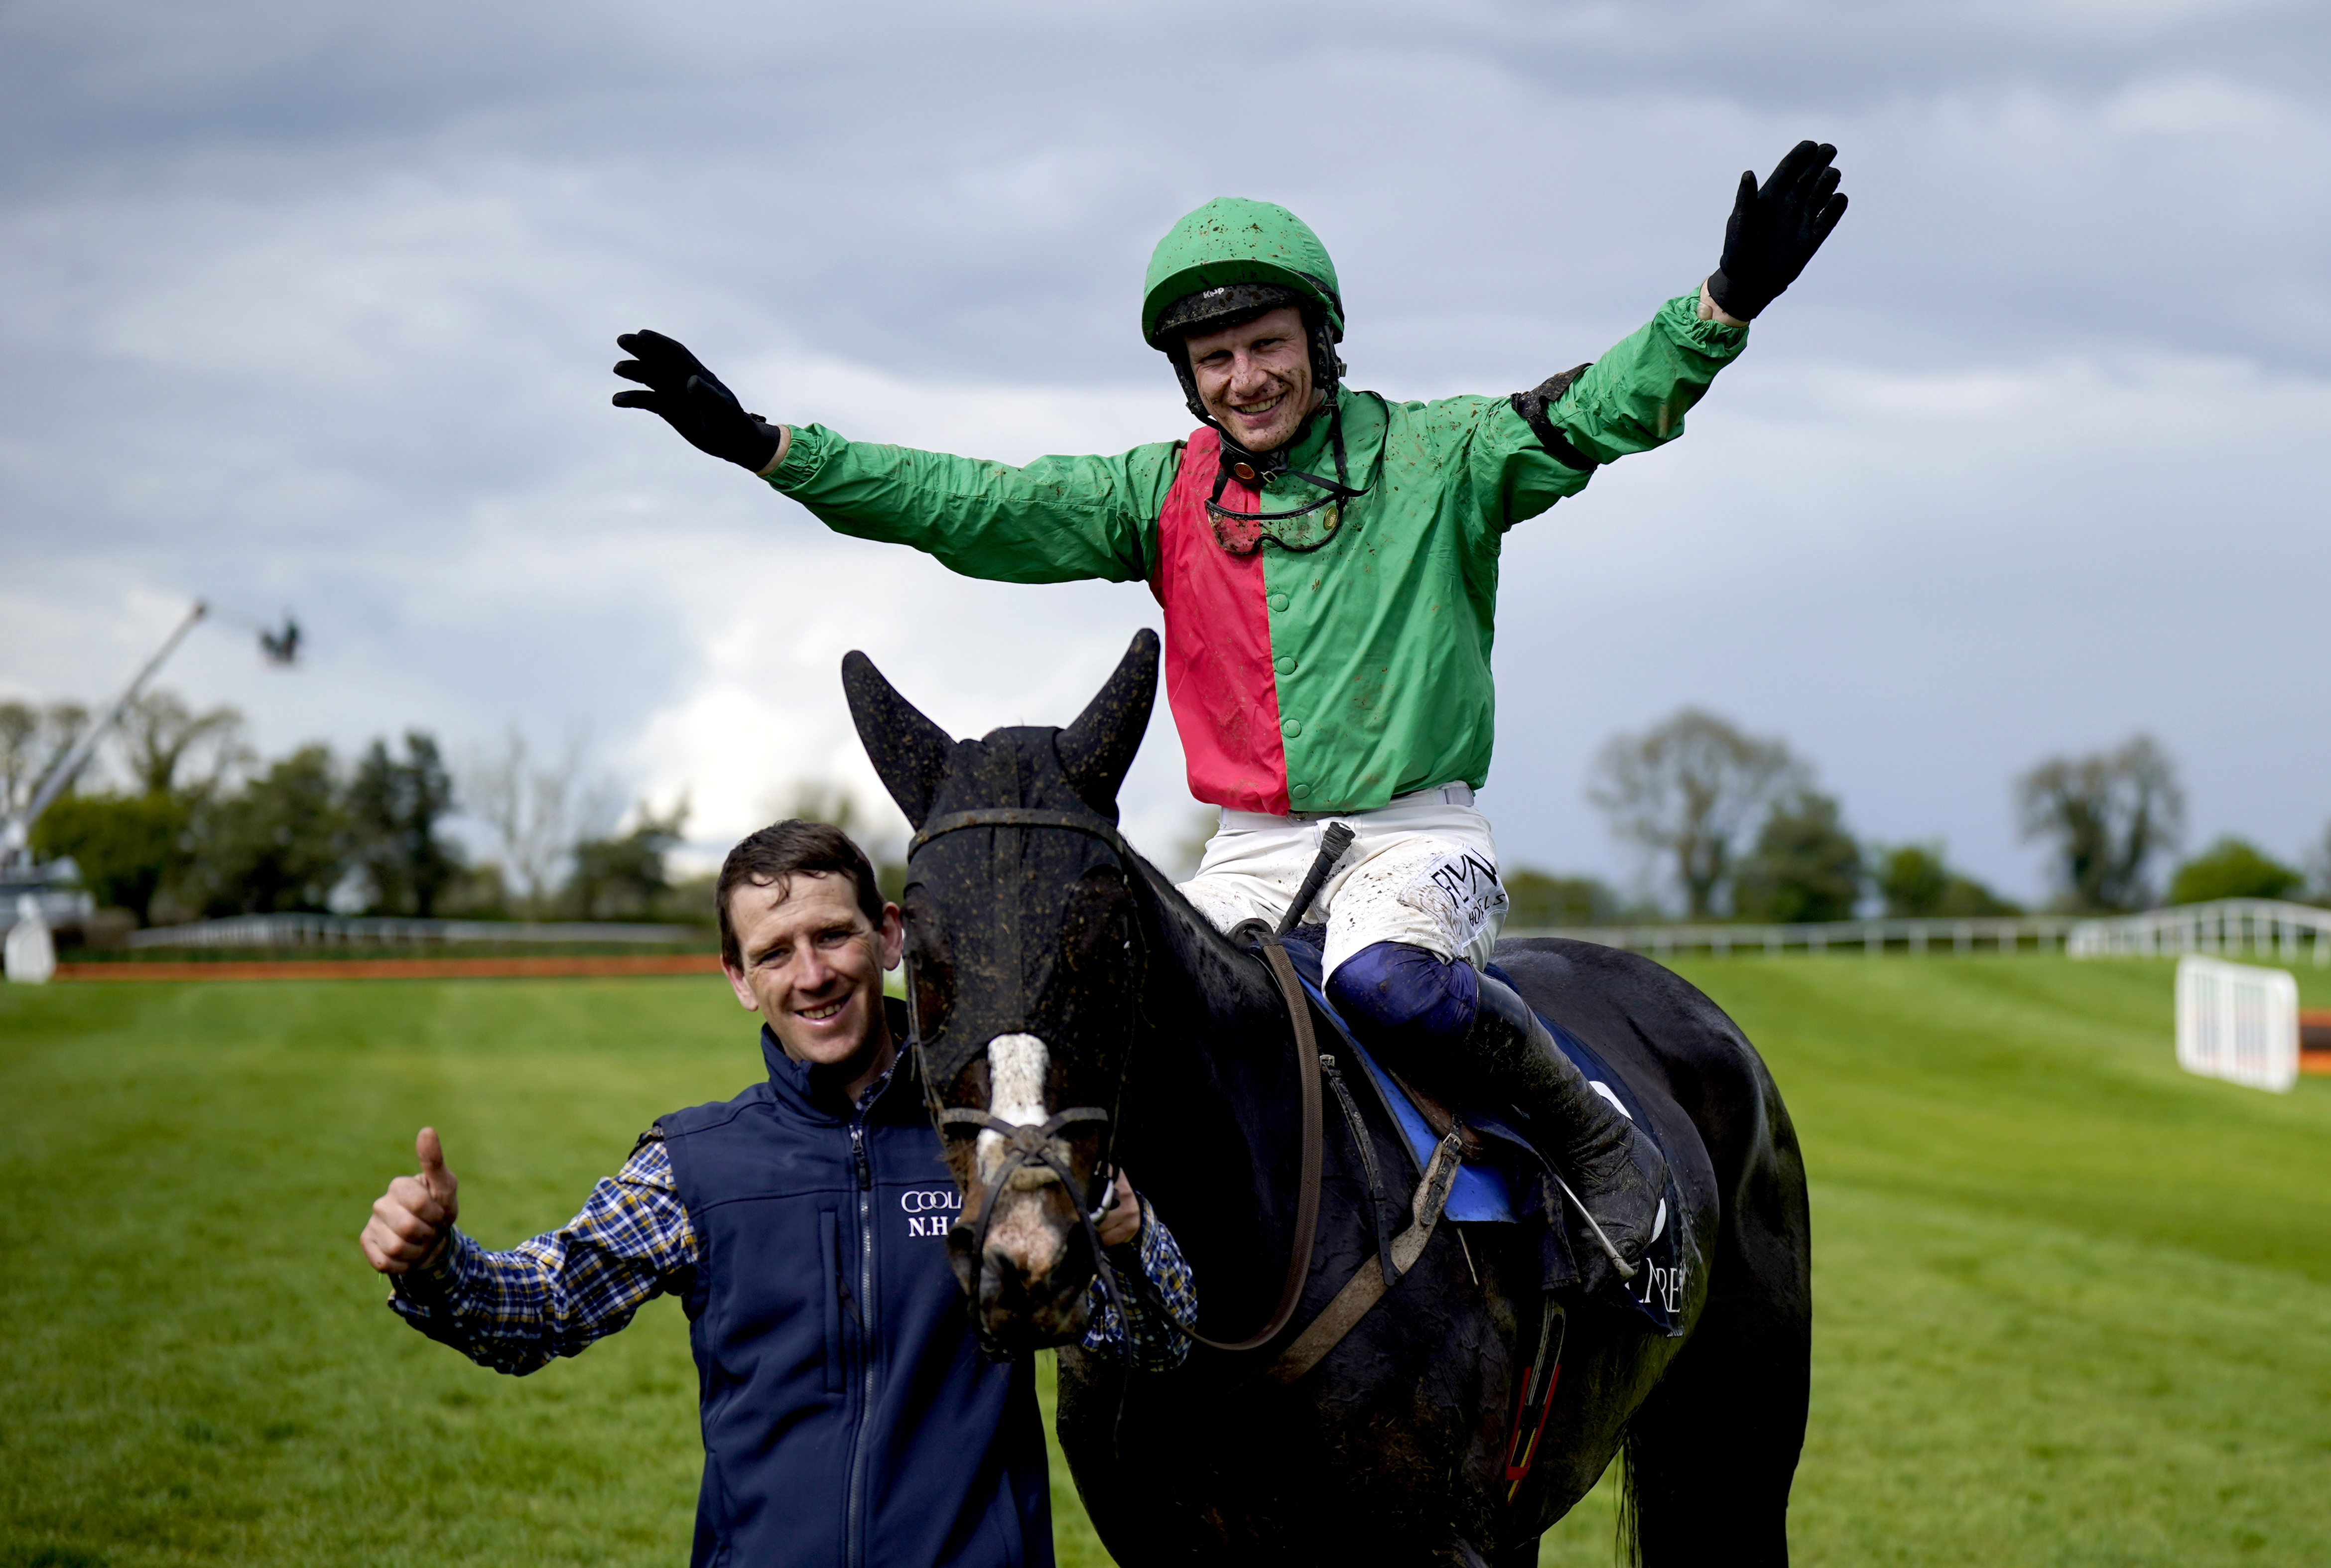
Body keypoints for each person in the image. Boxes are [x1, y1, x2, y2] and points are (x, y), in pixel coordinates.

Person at [608, 143, 1849, 1289]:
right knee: (1138, 1023)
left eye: (1266, 344)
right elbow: (970, 503)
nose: (1245, 378)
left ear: (1320, 339)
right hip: (1250, 853)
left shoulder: (1447, 456)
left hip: (1416, 837)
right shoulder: (1161, 494)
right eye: (1215, 360)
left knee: (1387, 982)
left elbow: (1597, 410)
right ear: (1189, 378)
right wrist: (773, 448)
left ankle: (1593, 1138)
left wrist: (1721, 304)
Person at [361, 819, 1196, 1568]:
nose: (812, 974)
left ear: (889, 936)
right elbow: (539, 1311)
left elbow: (1160, 1342)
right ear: (737, 976)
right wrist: (436, 1264)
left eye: (833, 935)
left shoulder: (1000, 1143)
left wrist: (1132, 1242)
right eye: (773, 953)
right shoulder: (696, 1163)